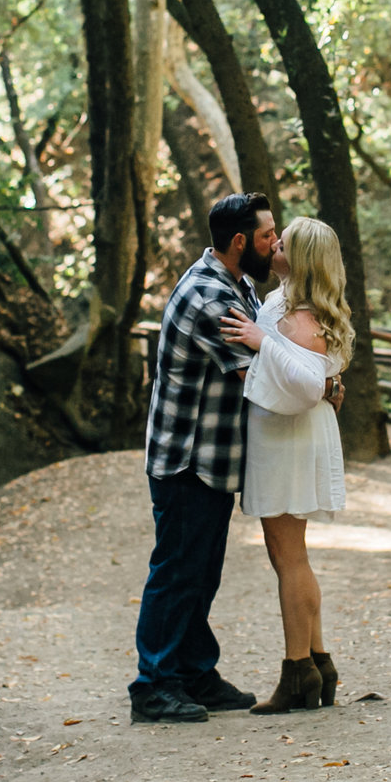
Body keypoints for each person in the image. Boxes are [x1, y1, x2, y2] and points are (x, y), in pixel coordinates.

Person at [131, 192, 276, 724]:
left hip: (211, 460)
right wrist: (320, 382)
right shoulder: (208, 297)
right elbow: (257, 378)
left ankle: (194, 672)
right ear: (240, 242)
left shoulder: (236, 285)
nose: (274, 244)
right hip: (187, 459)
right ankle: (153, 685)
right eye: (267, 237)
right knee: (176, 571)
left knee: (201, 571)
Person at [218, 217, 350, 714]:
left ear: (300, 259)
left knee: (288, 554)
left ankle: (298, 671)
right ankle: (318, 660)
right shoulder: (290, 303)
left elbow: (307, 381)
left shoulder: (302, 318)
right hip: (287, 435)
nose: (274, 245)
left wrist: (258, 340)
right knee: (291, 553)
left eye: (283, 242)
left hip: (288, 437)